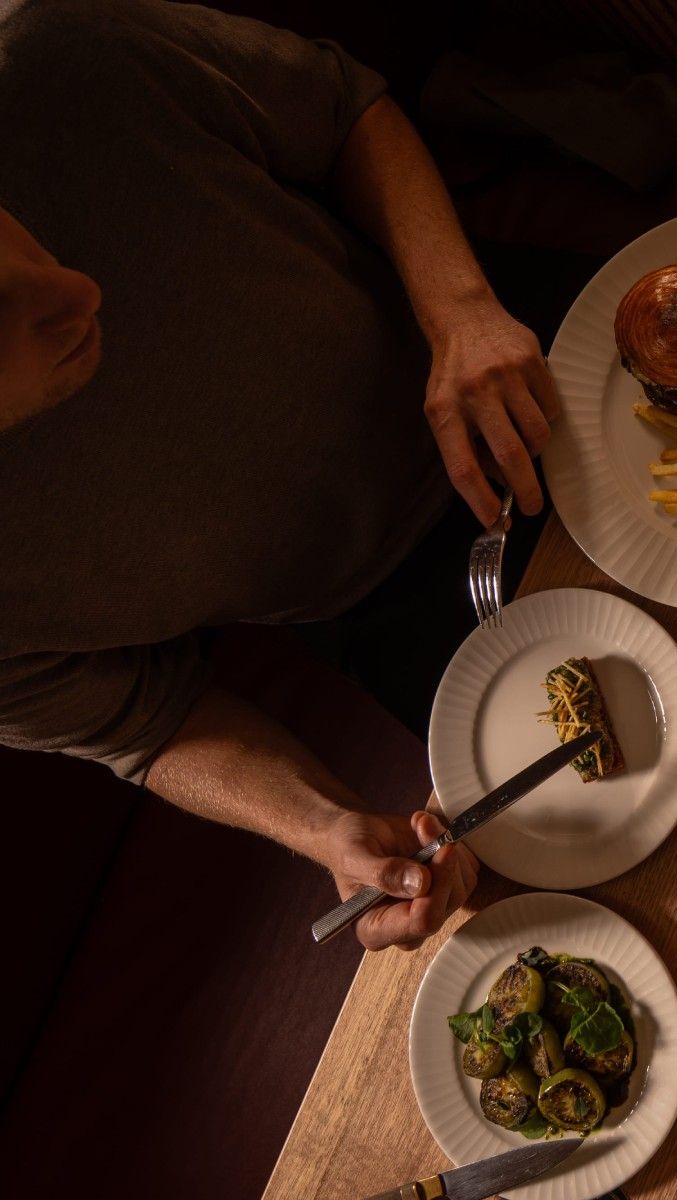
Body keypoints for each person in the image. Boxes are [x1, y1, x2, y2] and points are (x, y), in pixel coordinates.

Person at [0, 0, 565, 948]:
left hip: (497, 349)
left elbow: (346, 111)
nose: (77, 289)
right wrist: (323, 827)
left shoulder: (56, 57)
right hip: (391, 613)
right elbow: (149, 724)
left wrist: (460, 309)